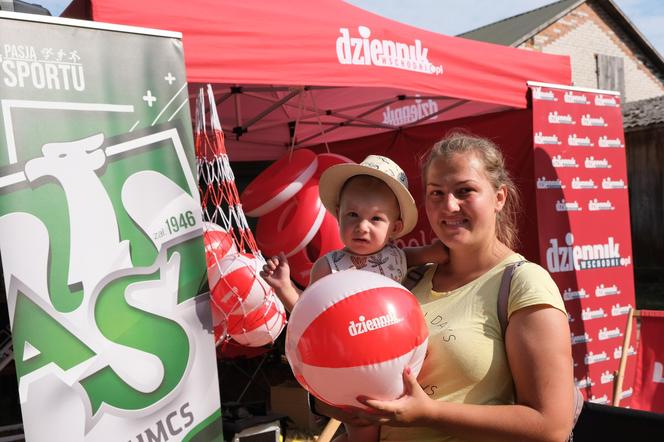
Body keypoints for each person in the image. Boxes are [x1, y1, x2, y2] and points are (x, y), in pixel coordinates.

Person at [318, 133, 575, 442]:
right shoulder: (407, 280)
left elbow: (551, 427)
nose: (449, 205)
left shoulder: (522, 283)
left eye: (465, 190)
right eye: (436, 193)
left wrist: (430, 414)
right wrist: (342, 400)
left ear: (499, 197)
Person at [261, 154, 448, 442]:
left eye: (376, 218)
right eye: (353, 215)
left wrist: (446, 248)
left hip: (396, 358)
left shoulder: (399, 257)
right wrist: (284, 287)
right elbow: (309, 316)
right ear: (338, 216)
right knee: (362, 424)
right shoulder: (329, 265)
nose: (362, 226)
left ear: (395, 228)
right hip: (348, 363)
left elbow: (438, 252)